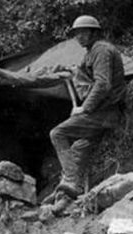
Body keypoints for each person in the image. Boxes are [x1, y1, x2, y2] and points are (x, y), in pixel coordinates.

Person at [49, 15, 126, 200]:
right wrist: (71, 70)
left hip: (104, 113)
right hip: (102, 113)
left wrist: (84, 109)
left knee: (57, 133)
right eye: (76, 33)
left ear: (94, 32)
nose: (79, 37)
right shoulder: (92, 52)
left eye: (84, 32)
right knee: (81, 145)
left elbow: (103, 85)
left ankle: (71, 181)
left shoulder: (101, 50)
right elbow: (84, 74)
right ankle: (69, 193)